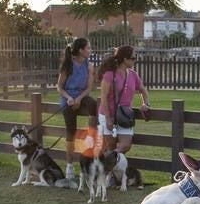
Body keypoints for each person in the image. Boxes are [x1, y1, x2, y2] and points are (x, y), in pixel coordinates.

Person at [56, 37, 98, 180]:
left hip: (81, 96)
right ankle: (69, 165)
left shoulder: (90, 66)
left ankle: (90, 137)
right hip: (67, 98)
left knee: (93, 104)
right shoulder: (68, 65)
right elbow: (59, 87)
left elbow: (88, 88)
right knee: (71, 130)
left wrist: (79, 99)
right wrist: (69, 98)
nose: (90, 50)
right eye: (88, 48)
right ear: (81, 50)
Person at [98, 45, 151, 156]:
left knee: (126, 145)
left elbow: (143, 90)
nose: (135, 60)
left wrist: (145, 103)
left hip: (125, 115)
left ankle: (108, 160)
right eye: (133, 58)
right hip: (108, 115)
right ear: (125, 59)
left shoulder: (133, 74)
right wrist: (108, 118)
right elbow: (103, 98)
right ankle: (109, 170)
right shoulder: (109, 75)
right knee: (110, 145)